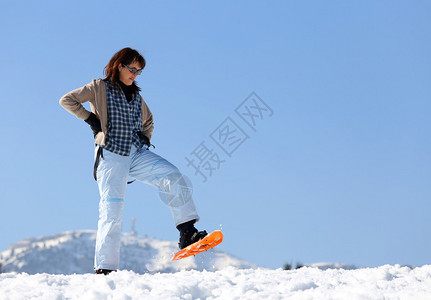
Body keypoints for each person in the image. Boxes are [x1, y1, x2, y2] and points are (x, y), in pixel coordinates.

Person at [59, 47, 207, 275]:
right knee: (112, 210)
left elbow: (149, 121)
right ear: (119, 66)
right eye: (132, 69)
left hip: (136, 154)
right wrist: (91, 119)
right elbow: (67, 100)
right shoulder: (99, 87)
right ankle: (105, 268)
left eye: (139, 71)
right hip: (111, 155)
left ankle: (187, 233)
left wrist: (145, 138)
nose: (135, 75)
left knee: (173, 175)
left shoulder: (137, 96)